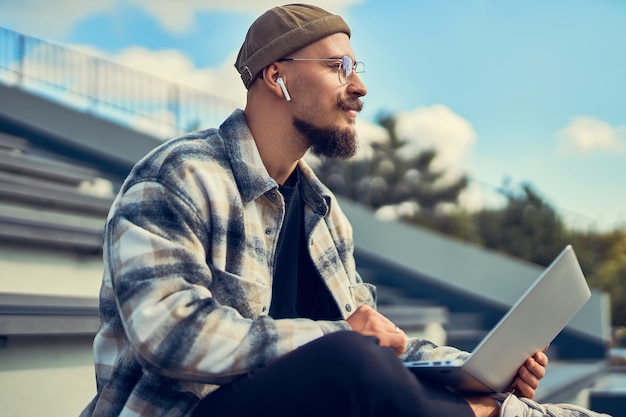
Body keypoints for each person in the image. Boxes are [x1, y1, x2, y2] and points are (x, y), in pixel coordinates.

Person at [80, 4, 610, 417]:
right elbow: (169, 337)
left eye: (356, 69)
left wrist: (477, 369)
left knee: (362, 359)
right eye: (339, 67)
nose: (359, 87)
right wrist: (341, 337)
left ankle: (483, 404)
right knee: (347, 358)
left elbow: (379, 339)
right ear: (276, 75)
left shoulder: (325, 214)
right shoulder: (180, 175)